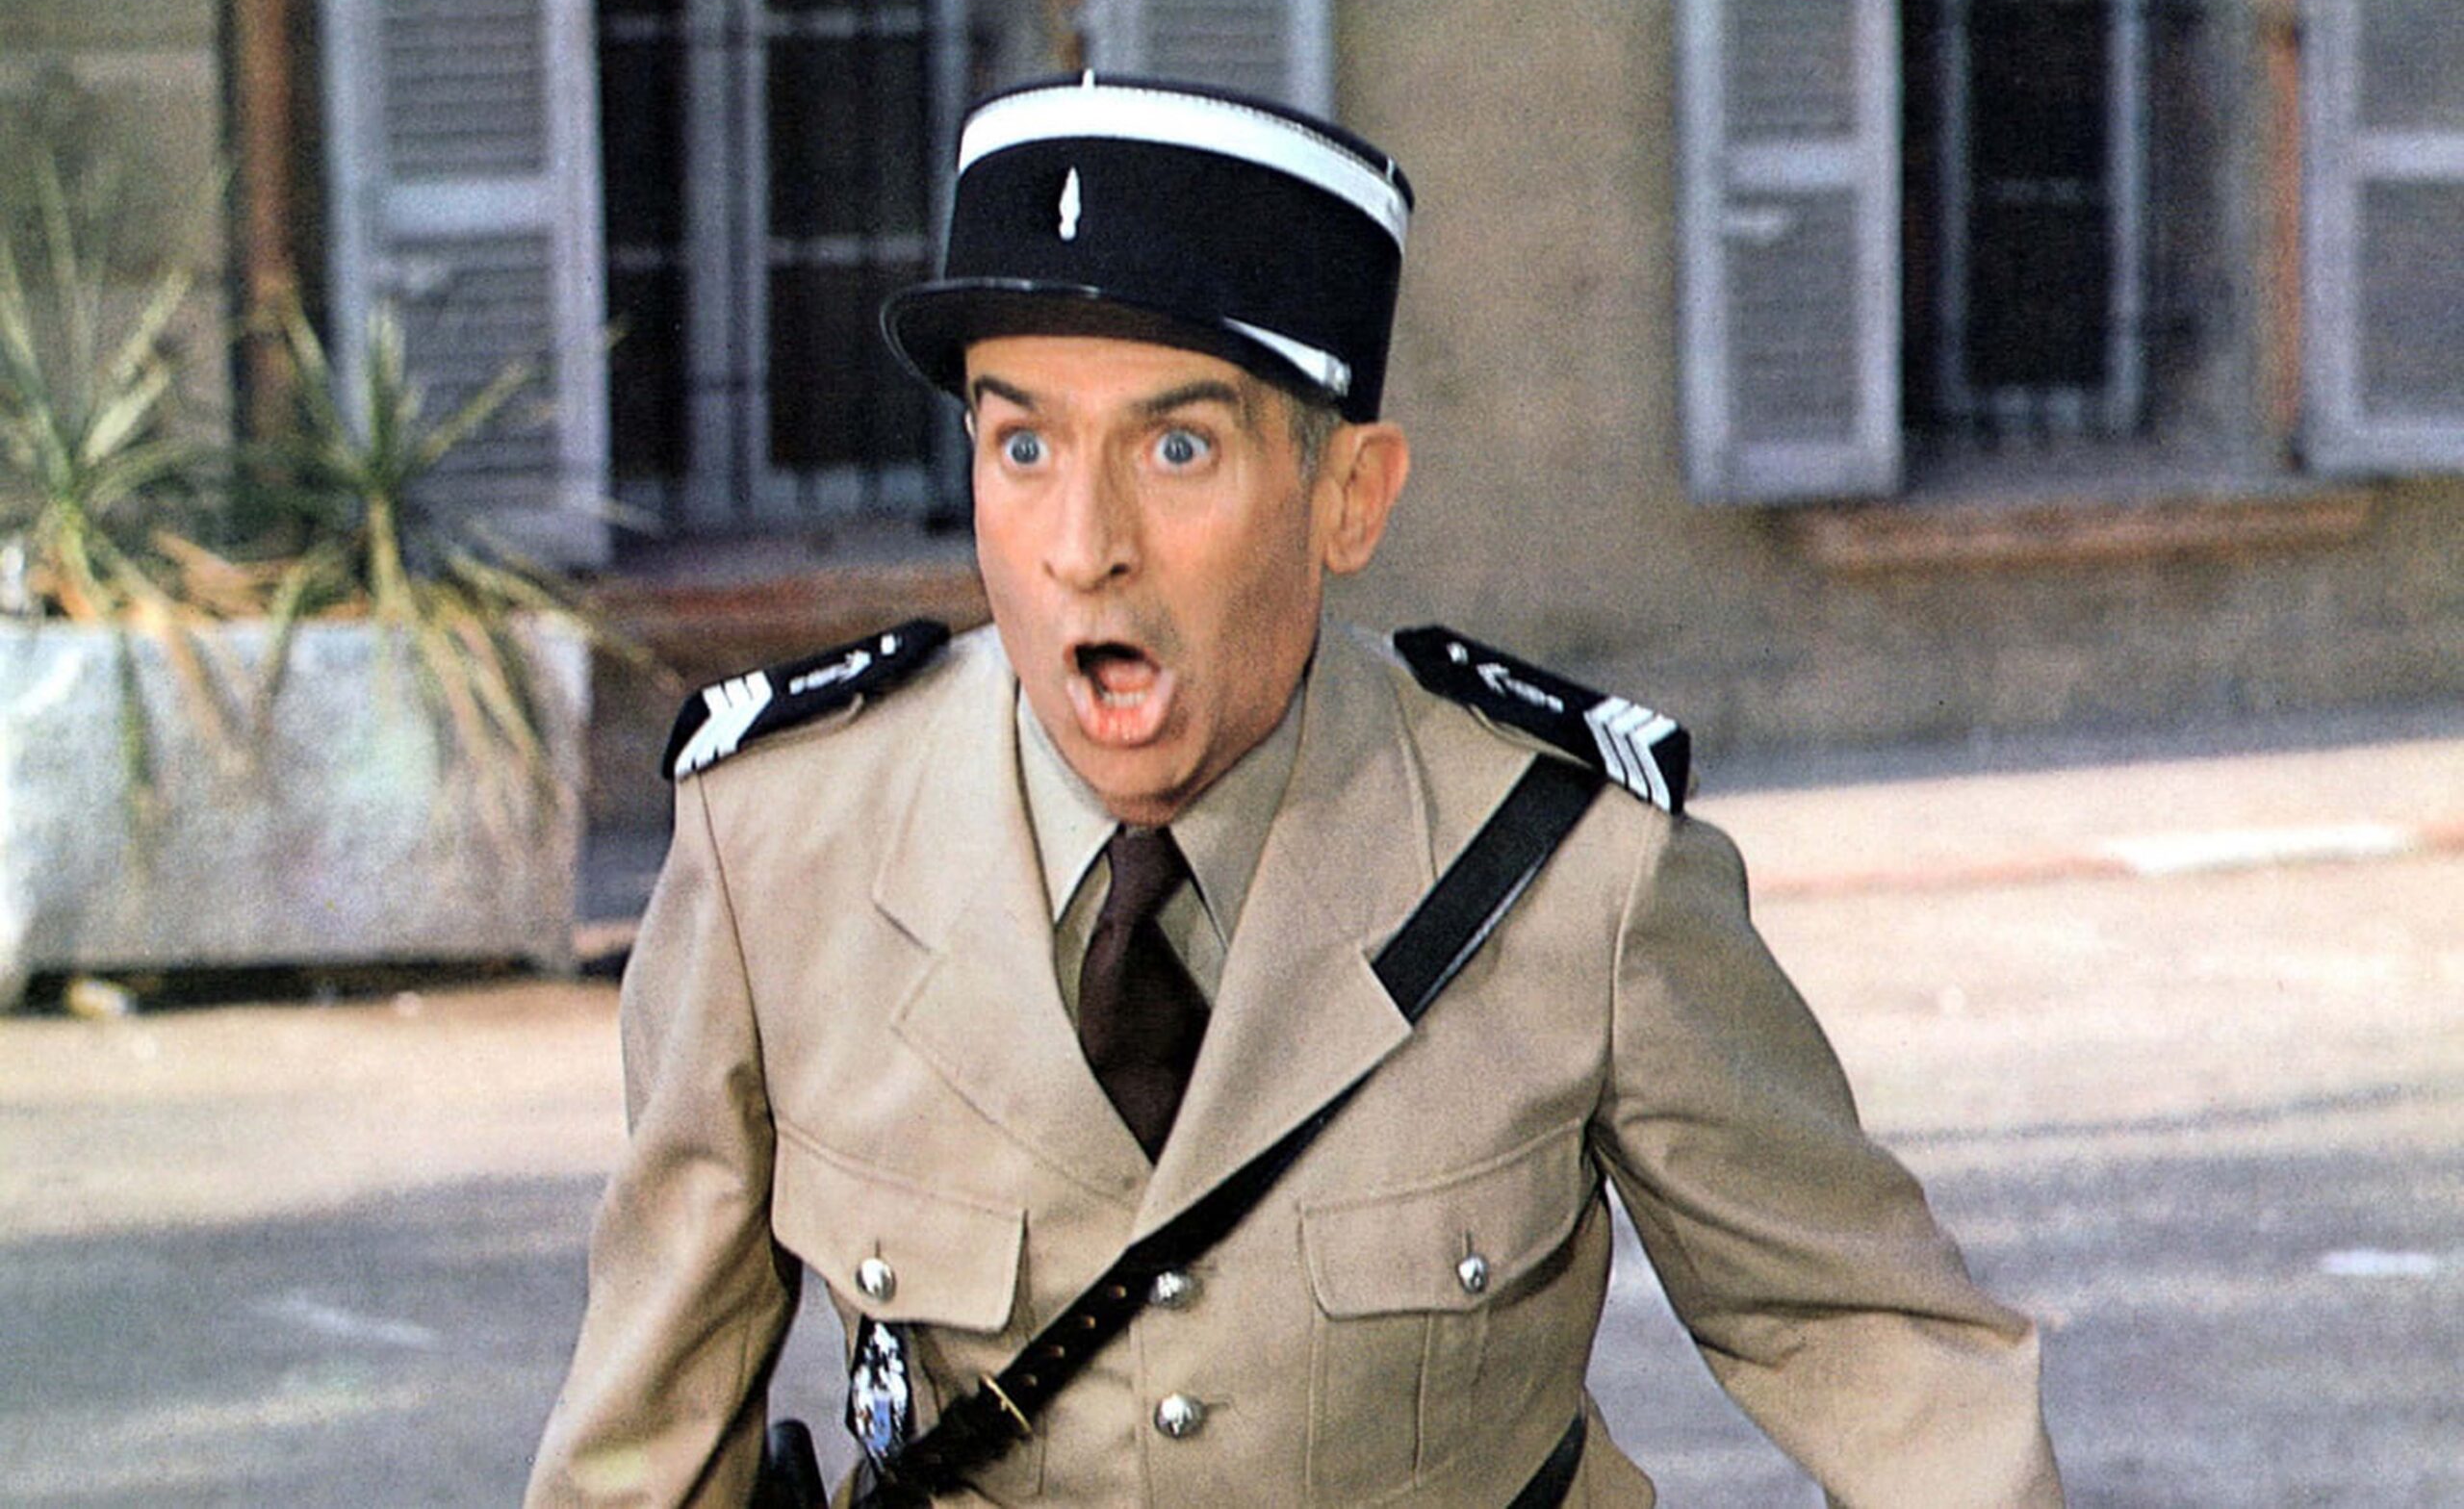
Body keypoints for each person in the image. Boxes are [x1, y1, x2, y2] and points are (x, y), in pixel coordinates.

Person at [526, 74, 2062, 1507]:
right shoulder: (784, 848)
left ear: (1348, 498)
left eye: (1178, 448)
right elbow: (647, 1439)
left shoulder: (1570, 867)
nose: (1083, 547)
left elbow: (1875, 1347)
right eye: (1022, 443)